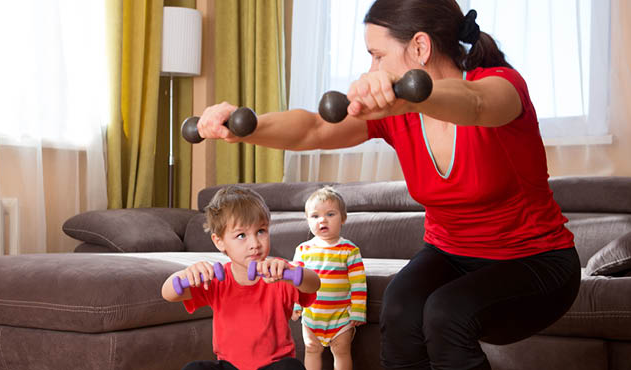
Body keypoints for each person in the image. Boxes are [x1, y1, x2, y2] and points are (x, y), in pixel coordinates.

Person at [193, 0, 581, 369]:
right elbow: (312, 128)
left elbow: (476, 104)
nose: (372, 66)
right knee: (399, 307)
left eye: (377, 55)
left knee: (446, 313)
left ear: (420, 47)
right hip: (450, 255)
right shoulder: (396, 113)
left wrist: (406, 97)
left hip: (536, 262)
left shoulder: (501, 85)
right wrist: (243, 128)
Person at [161, 186, 321, 370]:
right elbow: (168, 294)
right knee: (194, 368)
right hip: (230, 367)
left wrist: (292, 276)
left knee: (291, 367)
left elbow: (313, 284)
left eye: (261, 231)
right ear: (219, 241)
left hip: (273, 366)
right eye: (241, 235)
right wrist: (185, 275)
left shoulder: (278, 273)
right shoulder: (216, 279)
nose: (254, 244)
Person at [291, 186, 367, 370]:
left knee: (341, 351)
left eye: (330, 214)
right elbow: (295, 281)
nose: (322, 220)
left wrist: (358, 310)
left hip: (340, 315)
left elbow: (358, 282)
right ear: (307, 220)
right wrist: (295, 304)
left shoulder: (349, 250)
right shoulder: (303, 250)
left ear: (343, 218)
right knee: (311, 349)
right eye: (315, 216)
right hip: (312, 315)